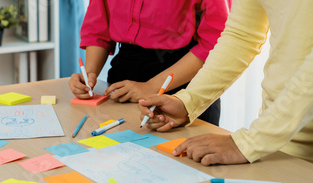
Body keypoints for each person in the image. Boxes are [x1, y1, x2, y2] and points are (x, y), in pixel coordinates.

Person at [139, 0, 313, 165]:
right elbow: (242, 35)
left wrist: (251, 141)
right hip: (280, 140)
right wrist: (188, 101)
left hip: (273, 136)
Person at [68, 0, 232, 126]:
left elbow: (215, 41)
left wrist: (150, 87)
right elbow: (98, 25)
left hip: (185, 82)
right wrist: (89, 75)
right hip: (123, 81)